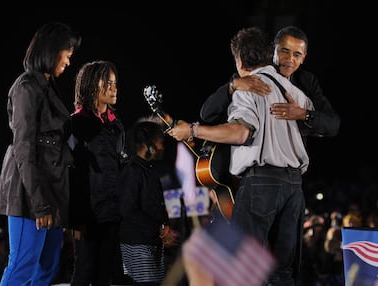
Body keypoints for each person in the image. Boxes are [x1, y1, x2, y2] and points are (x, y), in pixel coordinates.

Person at [169, 26, 314, 285]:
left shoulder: (249, 87)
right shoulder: (298, 94)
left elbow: (240, 133)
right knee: (282, 274)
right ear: (270, 55)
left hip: (262, 184)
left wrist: (192, 130)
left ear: (238, 60)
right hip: (294, 187)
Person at [0, 22, 81, 285]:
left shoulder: (47, 87)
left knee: (47, 267)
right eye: (67, 54)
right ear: (51, 50)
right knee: (23, 264)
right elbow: (24, 149)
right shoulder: (26, 87)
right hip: (29, 194)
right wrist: (40, 203)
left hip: (52, 191)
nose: (68, 62)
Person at [200, 25, 340, 139]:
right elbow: (207, 114)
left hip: (290, 162)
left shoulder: (306, 81)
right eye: (284, 51)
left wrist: (303, 114)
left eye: (297, 54)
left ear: (304, 58)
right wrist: (232, 86)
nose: (290, 59)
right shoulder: (250, 75)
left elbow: (332, 125)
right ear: (274, 50)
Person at [68, 60, 128, 286]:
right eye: (108, 83)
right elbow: (72, 174)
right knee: (84, 273)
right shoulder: (76, 123)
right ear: (92, 85)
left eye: (115, 83)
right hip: (87, 216)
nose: (114, 88)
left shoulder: (117, 125)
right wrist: (76, 220)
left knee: (105, 276)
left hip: (112, 215)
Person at [117, 118, 176, 285]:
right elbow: (127, 209)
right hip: (137, 245)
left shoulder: (149, 170)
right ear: (147, 143)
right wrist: (158, 227)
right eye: (159, 140)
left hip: (151, 243)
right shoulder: (132, 170)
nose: (163, 145)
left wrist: (164, 225)